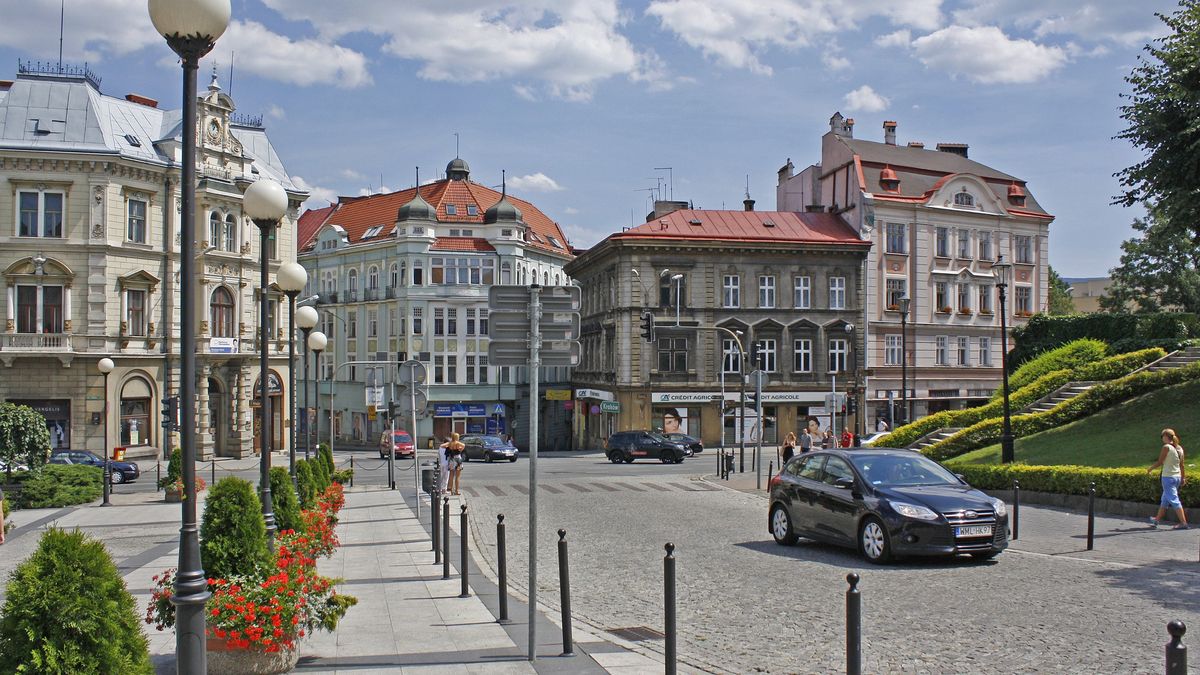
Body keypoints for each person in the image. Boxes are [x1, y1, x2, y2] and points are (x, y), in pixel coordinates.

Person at [1148, 428, 1188, 529]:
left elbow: (1160, 462)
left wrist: (1150, 468)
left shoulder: (1166, 447)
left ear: (1166, 436)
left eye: (1162, 436)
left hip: (1168, 478)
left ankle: (1183, 523)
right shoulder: (1180, 449)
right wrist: (1183, 478)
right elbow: (1182, 465)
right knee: (1165, 500)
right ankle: (1156, 520)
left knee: (1174, 500)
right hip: (1177, 477)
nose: (1162, 439)